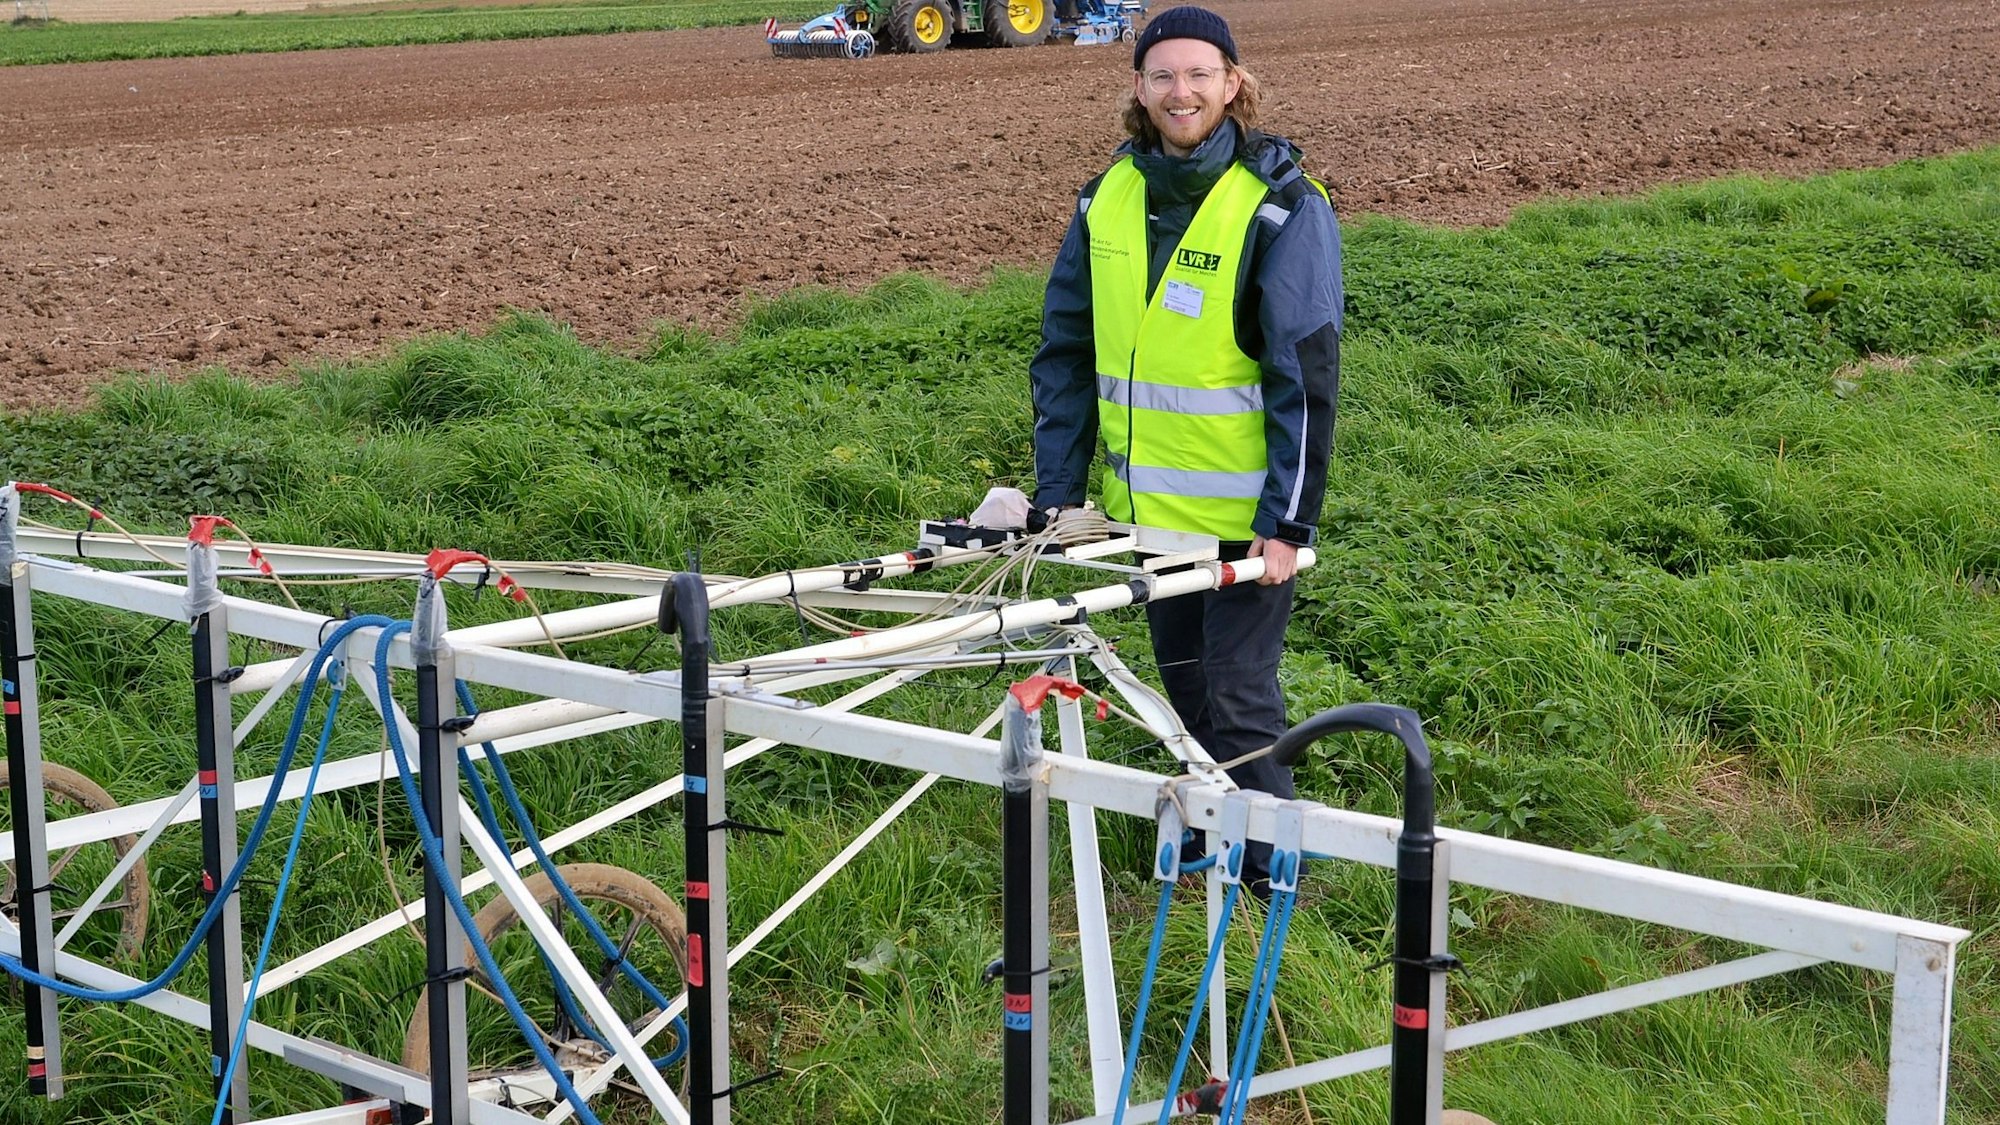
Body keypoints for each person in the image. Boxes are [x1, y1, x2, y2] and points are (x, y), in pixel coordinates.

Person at [1028, 5, 1342, 894]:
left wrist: (1289, 521)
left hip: (1247, 522)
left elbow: (1304, 373)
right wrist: (1059, 490)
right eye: (1163, 74)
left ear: (1233, 82)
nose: (1182, 91)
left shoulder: (1279, 205)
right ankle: (1216, 843)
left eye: (1200, 73)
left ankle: (1280, 882)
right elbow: (1066, 351)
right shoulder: (1109, 197)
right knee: (1188, 695)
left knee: (1241, 701)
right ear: (1137, 87)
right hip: (1153, 520)